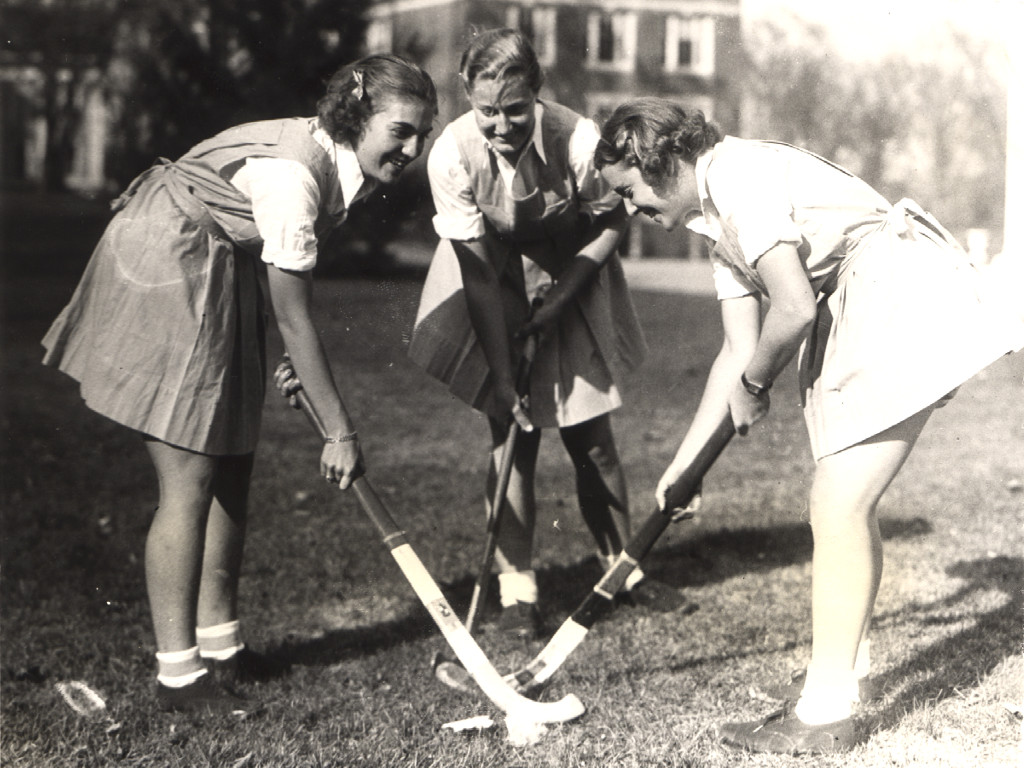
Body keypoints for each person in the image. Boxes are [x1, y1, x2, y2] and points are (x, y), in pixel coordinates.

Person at [594, 98, 1024, 755]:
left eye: (629, 190)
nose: (629, 210)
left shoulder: (738, 178)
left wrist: (755, 387)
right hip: (867, 302)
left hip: (896, 292)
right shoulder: (718, 226)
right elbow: (735, 354)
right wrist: (683, 467)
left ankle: (826, 709)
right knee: (843, 502)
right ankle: (842, 669)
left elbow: (791, 308)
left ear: (662, 160)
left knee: (840, 503)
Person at [41, 54, 437, 713]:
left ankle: (221, 648)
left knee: (233, 463)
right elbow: (293, 312)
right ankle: (178, 677)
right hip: (166, 255)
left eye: (423, 133)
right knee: (191, 477)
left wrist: (298, 363)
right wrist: (338, 429)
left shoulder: (341, 161)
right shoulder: (294, 175)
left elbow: (278, 277)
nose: (414, 148)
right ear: (358, 115)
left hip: (221, 262)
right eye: (401, 130)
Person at [408, 29, 684, 639]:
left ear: (536, 93)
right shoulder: (451, 155)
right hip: (489, 277)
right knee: (511, 437)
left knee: (592, 437)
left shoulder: (580, 140)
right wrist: (505, 374)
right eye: (486, 112)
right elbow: (477, 272)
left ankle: (622, 570)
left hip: (573, 270)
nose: (501, 125)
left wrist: (559, 301)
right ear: (467, 98)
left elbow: (613, 222)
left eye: (514, 110)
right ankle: (517, 593)